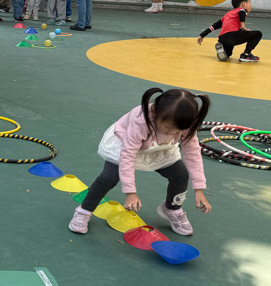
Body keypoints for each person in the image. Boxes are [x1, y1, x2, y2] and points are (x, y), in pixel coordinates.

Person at [69, 88, 211, 236]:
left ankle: (172, 209)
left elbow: (193, 153)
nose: (174, 132)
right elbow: (128, 155)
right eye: (169, 127)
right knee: (109, 177)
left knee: (180, 175)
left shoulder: (184, 123)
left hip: (160, 146)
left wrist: (199, 189)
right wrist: (130, 192)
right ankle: (84, 210)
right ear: (155, 112)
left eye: (178, 130)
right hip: (126, 144)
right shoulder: (141, 121)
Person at [196, 0, 262, 63]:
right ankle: (246, 54)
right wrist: (243, 25)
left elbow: (214, 26)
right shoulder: (242, 10)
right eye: (249, 2)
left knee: (228, 53)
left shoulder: (228, 14)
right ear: (244, 4)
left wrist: (202, 35)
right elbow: (241, 12)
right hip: (232, 36)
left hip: (222, 38)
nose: (250, 5)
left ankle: (224, 52)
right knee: (258, 34)